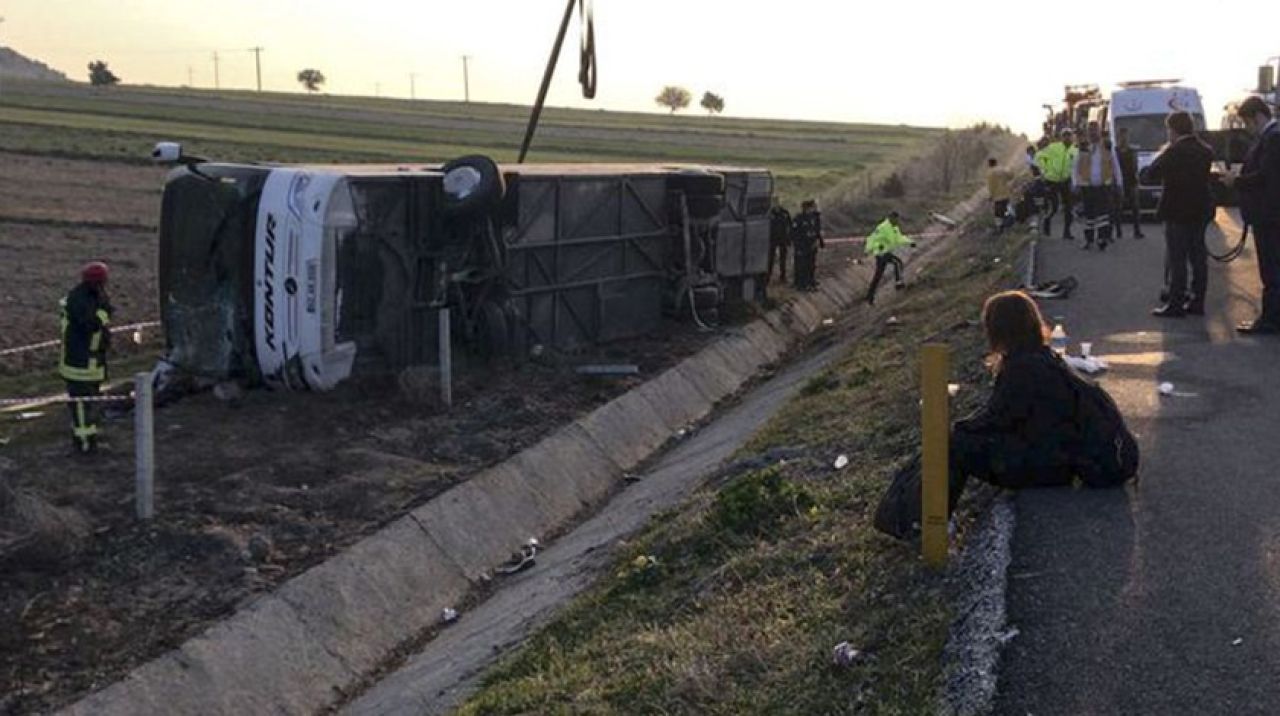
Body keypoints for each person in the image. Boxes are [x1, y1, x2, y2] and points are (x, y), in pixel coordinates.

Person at [873, 291, 1137, 538]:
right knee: (955, 440)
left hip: (1052, 468)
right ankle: (924, 516)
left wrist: (955, 431)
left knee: (956, 445)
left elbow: (996, 420)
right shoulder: (1043, 359)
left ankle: (926, 521)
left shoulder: (1022, 369)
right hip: (1063, 461)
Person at [1140, 111, 1214, 318]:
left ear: (1172, 129)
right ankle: (1198, 301)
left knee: (1177, 259)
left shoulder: (1173, 151)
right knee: (1198, 257)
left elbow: (1150, 174)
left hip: (1176, 211)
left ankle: (1176, 303)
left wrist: (1163, 152)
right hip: (1199, 210)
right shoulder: (1205, 150)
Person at [1223, 96, 1280, 334]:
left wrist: (1236, 180)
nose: (1247, 129)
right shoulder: (1270, 137)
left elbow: (1266, 178)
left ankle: (1270, 321)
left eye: (1246, 123)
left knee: (1272, 271)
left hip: (1271, 216)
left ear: (1257, 117)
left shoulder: (1273, 138)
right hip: (1269, 214)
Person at [59, 262, 113, 454]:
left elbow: (106, 311)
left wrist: (104, 313)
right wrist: (103, 315)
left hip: (92, 363)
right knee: (81, 405)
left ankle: (90, 439)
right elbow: (91, 324)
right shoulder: (79, 301)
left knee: (90, 403)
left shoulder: (93, 295)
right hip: (79, 364)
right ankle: (83, 443)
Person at [1072, 122, 1124, 250]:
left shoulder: (1107, 146)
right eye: (1090, 131)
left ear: (1099, 131)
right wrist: (1075, 183)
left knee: (1103, 214)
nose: (1092, 133)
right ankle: (1089, 240)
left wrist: (1119, 183)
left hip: (1103, 186)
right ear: (1087, 132)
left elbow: (1115, 165)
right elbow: (1075, 167)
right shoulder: (1083, 147)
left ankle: (1102, 239)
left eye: (1095, 130)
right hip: (1087, 186)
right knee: (1089, 215)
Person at [1035, 128, 1078, 239]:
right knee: (1053, 206)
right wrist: (1044, 171)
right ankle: (1047, 222)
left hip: (1066, 180)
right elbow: (1039, 157)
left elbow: (1076, 166)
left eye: (1069, 136)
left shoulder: (1074, 150)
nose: (1067, 138)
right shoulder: (1054, 147)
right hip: (1052, 181)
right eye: (1065, 136)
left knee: (1068, 208)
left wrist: (1075, 180)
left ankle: (1067, 232)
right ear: (1061, 137)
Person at [863, 211, 913, 305]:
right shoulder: (882, 227)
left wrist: (910, 242)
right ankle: (898, 283)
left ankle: (870, 296)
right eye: (895, 219)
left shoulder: (894, 228)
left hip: (886, 252)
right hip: (881, 253)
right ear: (890, 218)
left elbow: (899, 238)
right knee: (897, 263)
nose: (897, 221)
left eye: (898, 219)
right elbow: (873, 238)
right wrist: (876, 247)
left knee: (878, 275)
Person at [1113, 127, 1145, 239]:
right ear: (1118, 138)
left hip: (1132, 181)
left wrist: (1137, 179)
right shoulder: (1115, 152)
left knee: (1135, 207)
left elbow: (1135, 166)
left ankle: (1137, 231)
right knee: (1118, 208)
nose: (1124, 139)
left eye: (1126, 136)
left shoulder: (1132, 151)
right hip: (1120, 182)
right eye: (1122, 136)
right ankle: (1118, 232)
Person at [791, 199, 824, 291]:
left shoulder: (813, 218)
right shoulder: (799, 219)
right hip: (802, 246)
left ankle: (810, 281)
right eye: (811, 208)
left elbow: (816, 230)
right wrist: (798, 246)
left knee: (811, 265)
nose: (812, 209)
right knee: (801, 265)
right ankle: (801, 284)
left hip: (811, 245)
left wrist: (819, 241)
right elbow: (794, 234)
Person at [767, 200, 792, 284]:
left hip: (783, 238)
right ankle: (768, 275)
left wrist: (789, 238)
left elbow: (790, 226)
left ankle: (783, 276)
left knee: (783, 258)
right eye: (775, 203)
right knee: (770, 258)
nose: (776, 204)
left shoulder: (785, 213)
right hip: (772, 238)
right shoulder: (769, 213)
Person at [986, 158, 1015, 233]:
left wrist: (990, 196)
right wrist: (1010, 168)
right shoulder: (1002, 170)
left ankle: (1000, 227)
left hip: (997, 196)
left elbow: (990, 186)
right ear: (996, 163)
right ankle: (1009, 224)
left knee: (998, 213)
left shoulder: (989, 174)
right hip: (1006, 194)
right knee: (1007, 210)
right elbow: (1011, 176)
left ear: (989, 164)